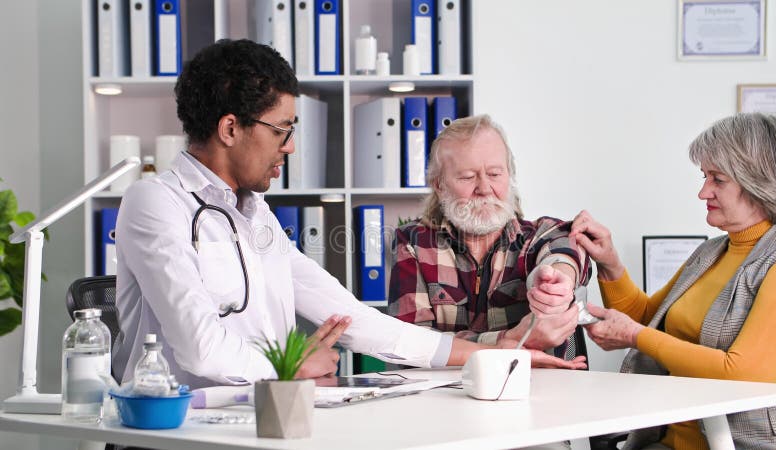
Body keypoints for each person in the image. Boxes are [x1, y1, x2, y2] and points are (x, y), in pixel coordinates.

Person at [111, 40, 586, 391]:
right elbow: (200, 348)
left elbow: (353, 318)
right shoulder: (155, 203)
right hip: (183, 432)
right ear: (231, 128)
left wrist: (485, 355)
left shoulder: (256, 216)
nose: (291, 146)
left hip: (267, 419)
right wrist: (289, 365)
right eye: (282, 130)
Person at [571, 112, 776, 449]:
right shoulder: (712, 251)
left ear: (760, 182)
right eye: (704, 176)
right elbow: (652, 319)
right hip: (671, 440)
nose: (703, 192)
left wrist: (634, 336)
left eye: (717, 179)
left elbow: (742, 375)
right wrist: (610, 265)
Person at [388, 114, 591, 359]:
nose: (484, 188)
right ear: (439, 184)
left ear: (510, 176)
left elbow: (564, 252)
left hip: (542, 389)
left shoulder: (541, 234)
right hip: (445, 395)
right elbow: (410, 344)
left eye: (494, 174)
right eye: (467, 177)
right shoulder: (414, 243)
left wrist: (558, 282)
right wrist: (508, 339)